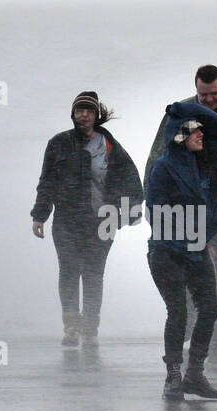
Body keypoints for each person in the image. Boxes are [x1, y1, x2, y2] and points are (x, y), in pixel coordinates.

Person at [144, 65, 217, 353]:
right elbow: (159, 152)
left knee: (216, 264)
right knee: (185, 260)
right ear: (195, 89)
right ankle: (187, 321)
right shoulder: (183, 111)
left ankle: (215, 328)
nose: (208, 100)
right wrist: (149, 196)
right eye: (203, 94)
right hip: (181, 201)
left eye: (213, 94)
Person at [31, 91, 143, 347]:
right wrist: (40, 215)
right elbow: (46, 180)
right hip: (67, 220)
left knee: (93, 274)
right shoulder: (58, 143)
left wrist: (132, 210)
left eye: (89, 111)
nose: (84, 115)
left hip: (102, 220)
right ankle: (71, 326)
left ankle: (90, 326)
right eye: (79, 110)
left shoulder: (110, 145)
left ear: (96, 115)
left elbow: (130, 178)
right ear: (72, 114)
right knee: (69, 270)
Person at [145, 102, 217, 398]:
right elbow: (154, 209)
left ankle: (194, 374)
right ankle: (173, 375)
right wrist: (186, 235)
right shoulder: (164, 166)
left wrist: (190, 108)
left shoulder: (209, 163)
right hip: (166, 250)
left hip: (196, 249)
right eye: (193, 130)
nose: (200, 134)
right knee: (179, 312)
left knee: (209, 310)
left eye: (200, 129)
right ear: (178, 136)